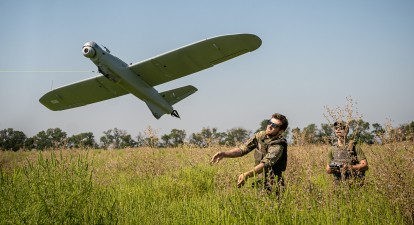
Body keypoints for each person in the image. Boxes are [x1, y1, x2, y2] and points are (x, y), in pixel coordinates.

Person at [210, 113, 288, 192]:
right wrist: (224, 154)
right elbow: (243, 149)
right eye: (269, 122)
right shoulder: (260, 136)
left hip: (274, 184)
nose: (270, 126)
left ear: (281, 131)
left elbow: (266, 164)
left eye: (274, 125)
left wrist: (247, 174)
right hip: (259, 181)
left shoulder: (278, 145)